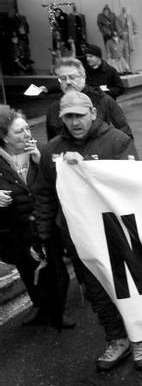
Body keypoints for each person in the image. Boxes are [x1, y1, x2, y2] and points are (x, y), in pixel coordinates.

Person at [31, 91, 142, 372]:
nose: (74, 122)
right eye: (68, 117)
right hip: (80, 238)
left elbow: (131, 186)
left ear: (93, 113)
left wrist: (89, 169)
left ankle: (141, 338)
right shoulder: (51, 151)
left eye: (79, 115)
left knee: (129, 287)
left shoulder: (118, 141)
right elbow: (45, 196)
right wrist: (45, 235)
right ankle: (117, 339)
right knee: (97, 291)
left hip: (117, 233)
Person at [0, 106, 71, 329]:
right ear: (4, 136)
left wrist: (43, 163)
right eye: (19, 132)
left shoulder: (42, 150)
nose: (27, 134)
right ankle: (39, 305)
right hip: (14, 228)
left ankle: (58, 310)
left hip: (45, 222)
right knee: (27, 269)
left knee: (55, 268)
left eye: (27, 129)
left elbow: (66, 182)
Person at [46, 58, 131, 140]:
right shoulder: (54, 108)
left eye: (72, 77)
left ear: (83, 77)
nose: (68, 82)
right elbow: (53, 145)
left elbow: (125, 137)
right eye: (63, 78)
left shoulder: (103, 100)